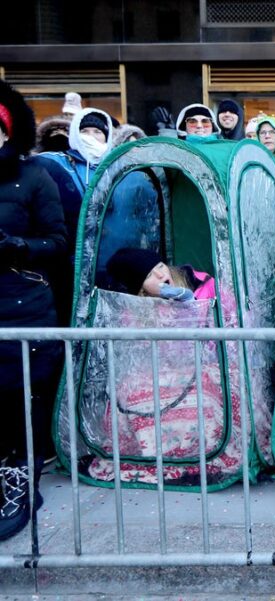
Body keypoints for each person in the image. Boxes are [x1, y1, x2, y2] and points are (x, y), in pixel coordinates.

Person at [0, 80, 67, 541]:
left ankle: (21, 477)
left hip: (23, 306)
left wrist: (18, 247)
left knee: (22, 397)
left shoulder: (35, 176)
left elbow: (59, 242)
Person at [37, 107, 159, 325]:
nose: (91, 137)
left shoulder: (125, 169)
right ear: (74, 134)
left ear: (108, 136)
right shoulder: (54, 165)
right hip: (69, 266)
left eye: (98, 132)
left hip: (113, 265)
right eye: (85, 131)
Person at [106, 247, 216, 301]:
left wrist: (193, 305)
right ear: (142, 291)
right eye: (149, 275)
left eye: (161, 266)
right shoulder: (137, 317)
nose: (160, 274)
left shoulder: (204, 284)